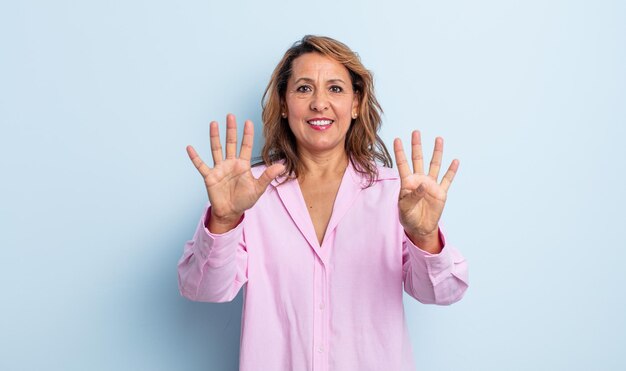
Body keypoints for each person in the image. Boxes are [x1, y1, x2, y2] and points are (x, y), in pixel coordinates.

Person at [178, 35, 469, 371]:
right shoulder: (250, 194)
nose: (319, 103)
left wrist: (425, 236)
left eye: (335, 88)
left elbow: (443, 292)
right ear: (284, 104)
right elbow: (203, 289)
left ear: (356, 104)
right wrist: (225, 220)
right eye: (303, 88)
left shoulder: (397, 194)